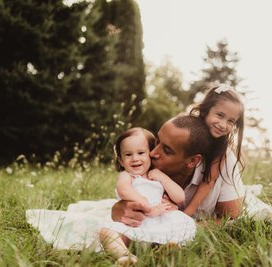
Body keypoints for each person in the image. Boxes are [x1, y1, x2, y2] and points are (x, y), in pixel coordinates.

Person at [111, 114, 245, 227]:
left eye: (167, 150)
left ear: (192, 161)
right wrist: (118, 208)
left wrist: (182, 226)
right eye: (157, 142)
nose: (152, 153)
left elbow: (232, 218)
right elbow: (126, 191)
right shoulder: (145, 162)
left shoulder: (222, 163)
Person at [99, 127, 197, 265]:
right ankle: (125, 256)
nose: (135, 158)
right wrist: (148, 207)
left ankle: (163, 250)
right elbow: (124, 190)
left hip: (159, 221)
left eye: (141, 153)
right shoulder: (127, 176)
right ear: (121, 161)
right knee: (106, 232)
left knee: (169, 233)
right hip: (133, 224)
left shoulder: (156, 175)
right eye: (128, 155)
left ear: (150, 154)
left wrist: (162, 177)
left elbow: (180, 197)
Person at [183, 84, 245, 218]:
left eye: (230, 121)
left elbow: (208, 181)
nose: (223, 125)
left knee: (232, 215)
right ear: (205, 111)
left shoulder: (221, 148)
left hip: (213, 182)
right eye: (220, 115)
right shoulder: (186, 130)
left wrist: (187, 214)